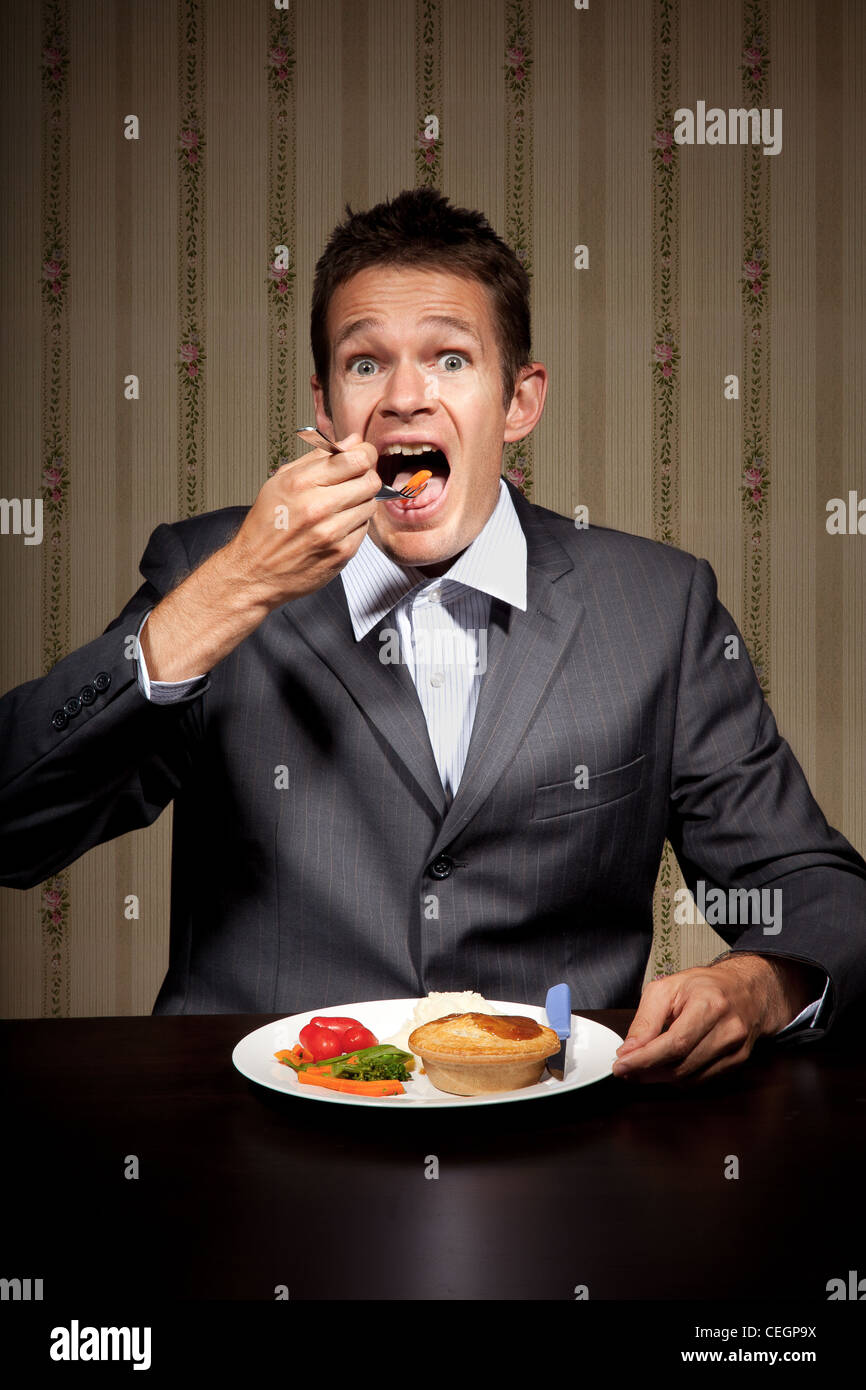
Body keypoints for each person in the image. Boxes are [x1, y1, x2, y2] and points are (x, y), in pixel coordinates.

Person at [2, 188, 864, 1085]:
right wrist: (232, 586)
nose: (406, 398)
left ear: (519, 400)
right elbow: (14, 827)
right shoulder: (212, 573)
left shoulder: (658, 608)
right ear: (328, 407)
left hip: (549, 1149)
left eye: (451, 359)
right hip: (253, 1153)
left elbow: (821, 891)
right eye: (366, 364)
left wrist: (756, 983)